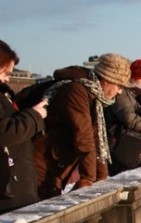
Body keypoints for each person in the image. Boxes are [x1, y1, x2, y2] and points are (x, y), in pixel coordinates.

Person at [34, 53, 131, 199]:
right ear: (107, 80)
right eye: (119, 85)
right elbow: (84, 136)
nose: (120, 91)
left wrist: (101, 178)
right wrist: (88, 178)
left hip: (55, 165)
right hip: (42, 165)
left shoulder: (93, 96)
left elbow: (97, 140)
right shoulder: (76, 91)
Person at [0, 40, 47, 214]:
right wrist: (35, 115)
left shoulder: (5, 94)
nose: (8, 79)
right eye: (5, 73)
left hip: (16, 188)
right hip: (9, 194)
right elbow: (5, 132)